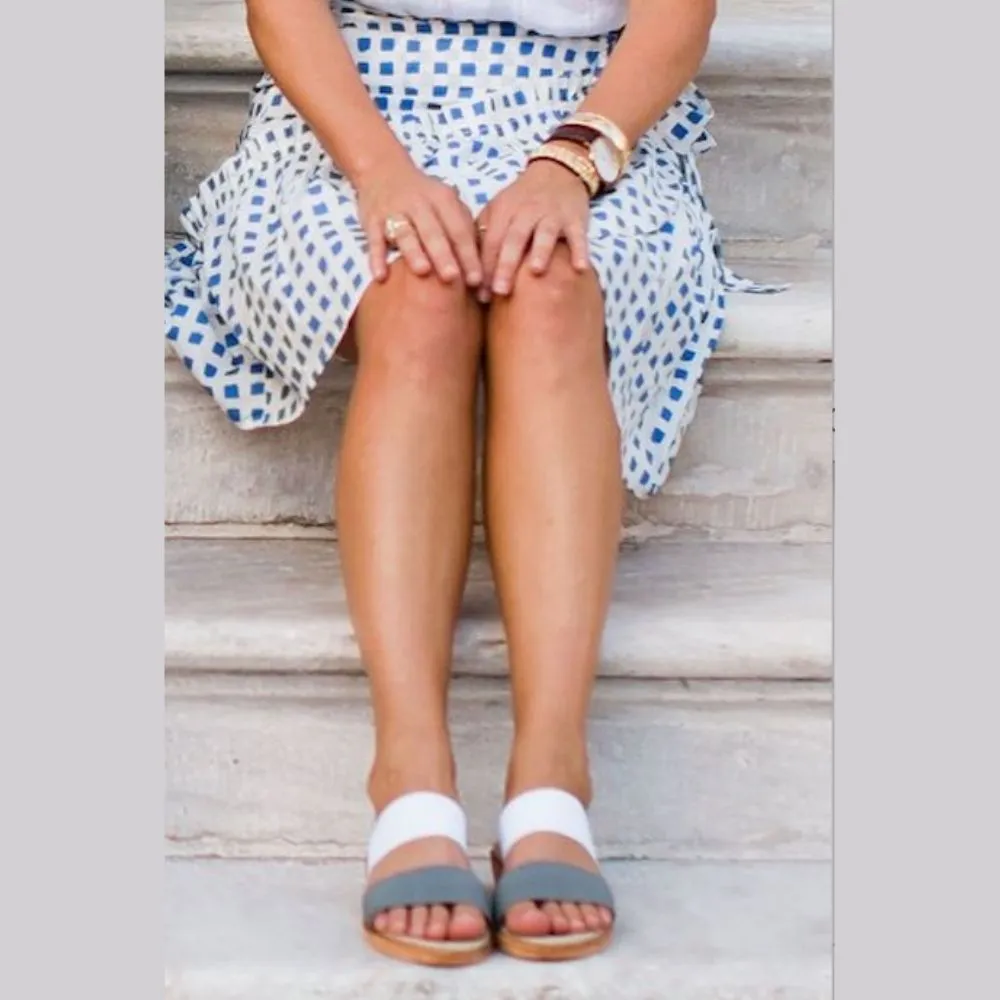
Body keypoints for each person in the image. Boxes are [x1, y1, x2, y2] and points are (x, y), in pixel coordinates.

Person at [166, 0, 770, 967]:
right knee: (416, 294)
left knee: (550, 285)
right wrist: (380, 169)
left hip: (587, 111)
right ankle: (409, 779)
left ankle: (552, 780)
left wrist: (572, 161)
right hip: (349, 110)